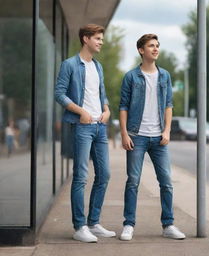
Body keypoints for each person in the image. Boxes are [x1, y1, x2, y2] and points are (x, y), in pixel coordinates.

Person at [119, 34, 186, 241]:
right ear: (141, 50)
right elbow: (123, 107)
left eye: (157, 45)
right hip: (136, 136)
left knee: (166, 182)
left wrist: (166, 131)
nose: (155, 49)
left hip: (159, 138)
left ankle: (168, 225)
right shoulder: (131, 77)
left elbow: (168, 105)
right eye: (151, 46)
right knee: (133, 181)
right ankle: (129, 225)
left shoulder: (164, 76)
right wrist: (124, 134)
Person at [55, 24, 115, 243]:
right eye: (98, 38)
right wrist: (81, 112)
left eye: (101, 38)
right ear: (85, 39)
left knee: (105, 174)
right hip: (81, 126)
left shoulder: (97, 67)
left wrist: (107, 110)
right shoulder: (70, 65)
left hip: (100, 126)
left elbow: (102, 94)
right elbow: (59, 94)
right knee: (81, 176)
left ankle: (93, 223)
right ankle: (79, 227)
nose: (101, 42)